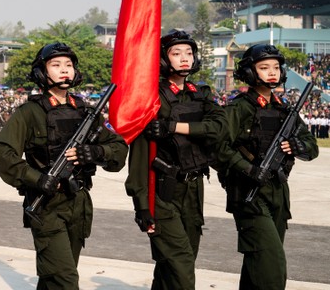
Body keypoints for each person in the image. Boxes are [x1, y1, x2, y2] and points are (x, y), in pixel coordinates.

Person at [0, 43, 127, 290]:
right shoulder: (30, 112)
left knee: (54, 278)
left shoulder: (86, 111)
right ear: (43, 72)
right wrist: (36, 178)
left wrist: (94, 152)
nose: (64, 70)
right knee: (65, 280)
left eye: (69, 65)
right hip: (47, 205)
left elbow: (118, 150)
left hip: (79, 202)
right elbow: (1, 154)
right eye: (56, 65)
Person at [124, 30, 226, 290]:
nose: (184, 58)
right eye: (176, 53)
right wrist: (141, 204)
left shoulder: (200, 94)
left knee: (179, 262)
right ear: (162, 58)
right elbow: (140, 154)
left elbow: (220, 127)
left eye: (189, 53)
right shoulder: (151, 98)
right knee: (180, 263)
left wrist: (173, 127)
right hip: (162, 191)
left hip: (194, 189)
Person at [218, 44, 319, 289]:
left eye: (275, 67)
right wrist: (248, 169)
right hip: (249, 194)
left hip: (278, 192)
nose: (272, 72)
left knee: (258, 265)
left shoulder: (285, 110)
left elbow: (311, 147)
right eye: (264, 68)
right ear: (251, 73)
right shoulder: (238, 108)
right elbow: (218, 148)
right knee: (271, 265)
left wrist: (296, 145)